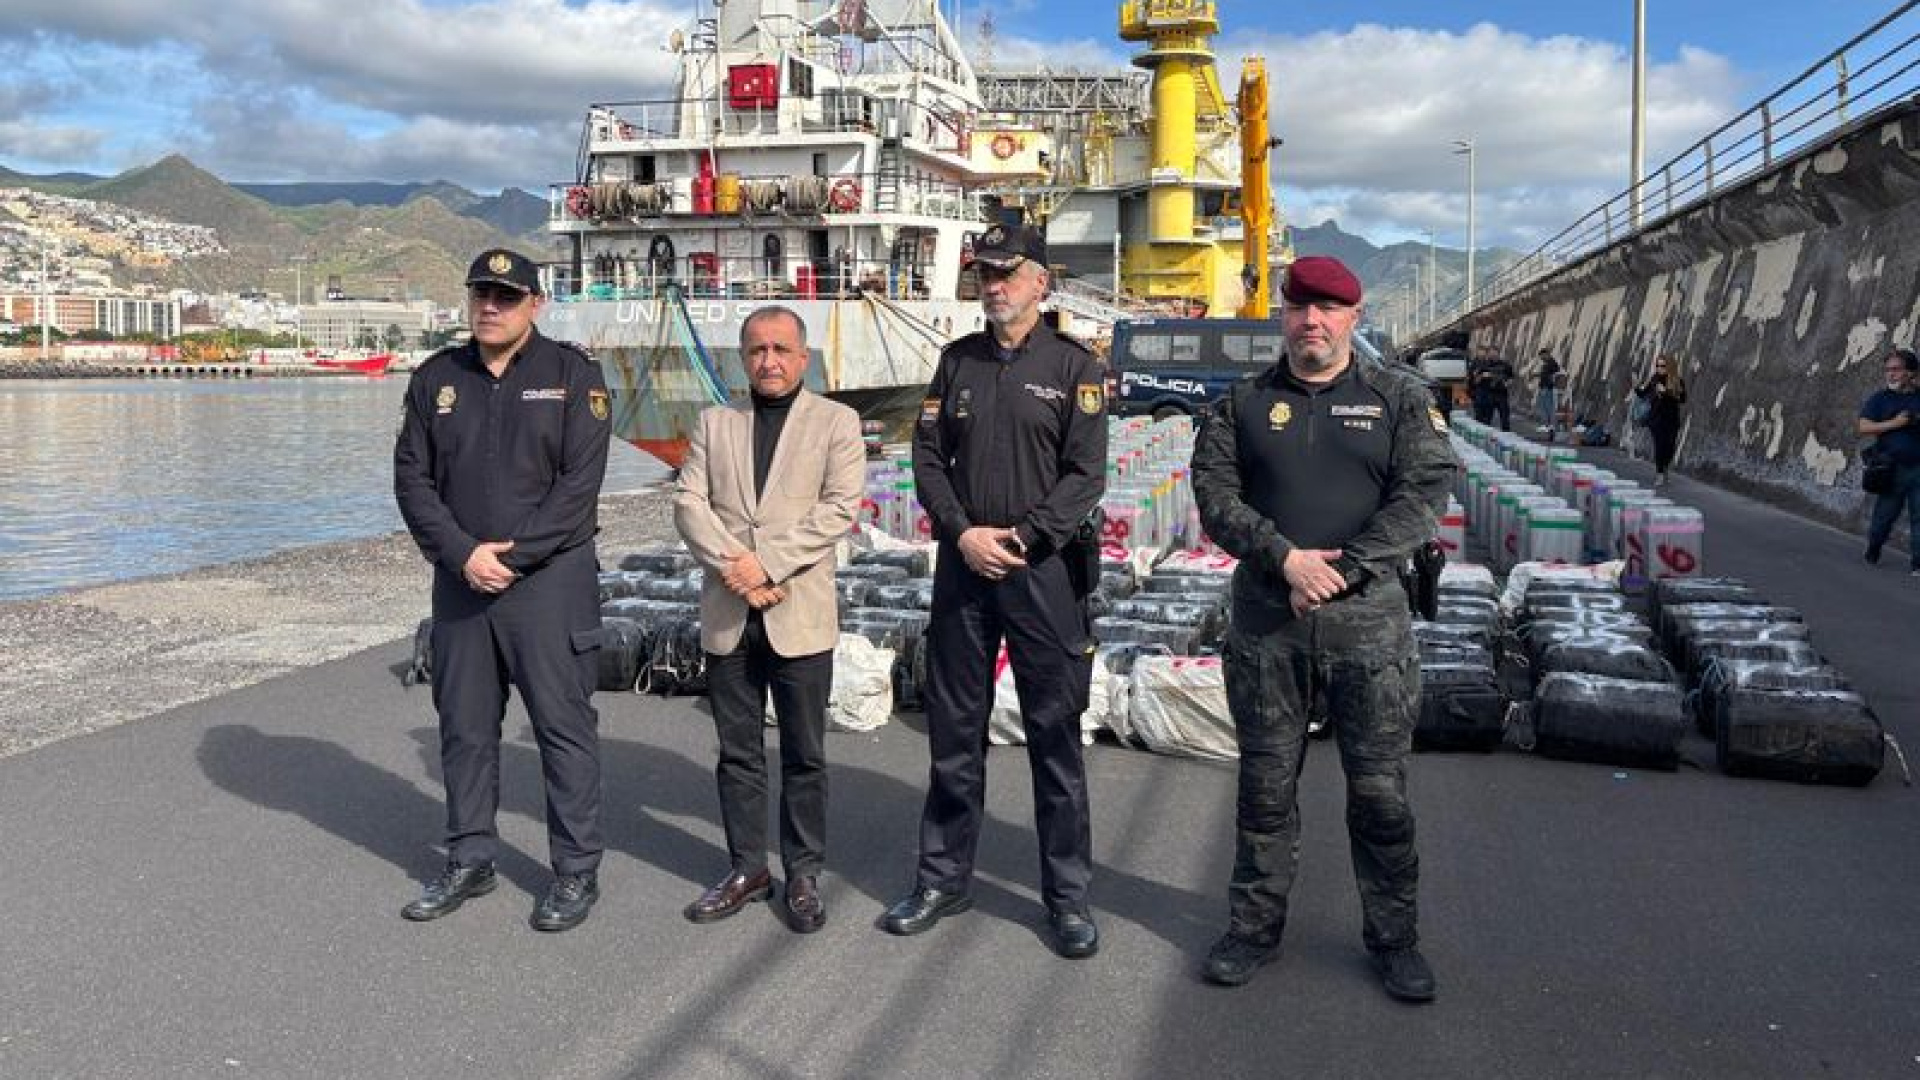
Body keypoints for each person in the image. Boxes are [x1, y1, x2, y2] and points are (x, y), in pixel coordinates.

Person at [1188, 255, 1457, 1002]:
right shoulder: (1241, 402)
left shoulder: (1398, 397)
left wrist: (1343, 571)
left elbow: (1423, 495)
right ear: (1284, 314)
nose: (1314, 321)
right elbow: (1214, 495)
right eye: (1301, 306)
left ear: (1354, 317)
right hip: (1269, 627)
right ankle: (1251, 929)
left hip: (1367, 628)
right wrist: (1285, 559)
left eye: (1330, 309)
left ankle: (1395, 940)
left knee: (1379, 795)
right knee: (1265, 790)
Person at [883, 222, 1108, 958]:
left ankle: (1067, 898)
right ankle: (943, 878)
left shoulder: (1076, 368)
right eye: (985, 273)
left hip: (1042, 573)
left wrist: (1024, 538)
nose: (994, 284)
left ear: (1041, 281)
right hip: (964, 567)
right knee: (953, 732)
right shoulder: (957, 363)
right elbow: (926, 456)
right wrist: (962, 532)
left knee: (1053, 737)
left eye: (1008, 272)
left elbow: (1086, 476)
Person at [393, 248, 613, 931]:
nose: (489, 305)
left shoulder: (573, 375)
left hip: (549, 584)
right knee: (463, 730)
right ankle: (470, 858)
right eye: (480, 293)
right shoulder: (436, 379)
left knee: (562, 729)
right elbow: (412, 480)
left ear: (535, 305)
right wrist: (463, 555)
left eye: (506, 296)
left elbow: (579, 488)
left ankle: (575, 872)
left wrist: (511, 559)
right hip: (462, 586)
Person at [673, 306, 866, 932]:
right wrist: (738, 567)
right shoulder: (714, 422)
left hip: (798, 609)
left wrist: (767, 566)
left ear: (803, 358)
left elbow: (839, 509)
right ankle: (747, 868)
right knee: (737, 752)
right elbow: (689, 502)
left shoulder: (837, 422)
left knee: (805, 752)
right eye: (756, 350)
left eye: (782, 349)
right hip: (731, 608)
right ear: (742, 358)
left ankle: (803, 872)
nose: (769, 361)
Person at [1858, 346, 1920, 573]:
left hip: (1918, 468)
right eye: (1888, 370)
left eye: (1896, 369)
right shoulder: (1880, 399)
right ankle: (1874, 548)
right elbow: (1863, 427)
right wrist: (1895, 424)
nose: (1891, 374)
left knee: (1919, 517)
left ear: (1910, 373)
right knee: (1883, 517)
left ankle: (1918, 564)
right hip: (1891, 467)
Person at [1634, 354, 1688, 486]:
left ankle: (1664, 468)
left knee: (1670, 447)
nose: (1659, 368)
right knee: (1659, 446)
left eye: (1662, 366)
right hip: (1657, 419)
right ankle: (1659, 474)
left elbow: (1682, 399)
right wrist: (1636, 386)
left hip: (1672, 419)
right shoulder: (1654, 379)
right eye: (1657, 365)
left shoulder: (1677, 381)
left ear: (1669, 366)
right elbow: (1643, 394)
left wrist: (1666, 392)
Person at [1469, 350, 1514, 430]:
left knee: (1504, 417)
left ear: (1498, 354)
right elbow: (1475, 380)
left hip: (1501, 394)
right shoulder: (1484, 365)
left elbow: (1511, 378)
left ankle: (1506, 434)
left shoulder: (1505, 365)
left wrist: (1507, 383)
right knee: (1487, 418)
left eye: (1495, 354)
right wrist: (1482, 376)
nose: (1493, 356)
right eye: (1491, 354)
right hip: (1489, 394)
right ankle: (1484, 434)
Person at [1535, 347, 1563, 437]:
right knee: (1546, 408)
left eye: (1542, 356)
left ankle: (1550, 427)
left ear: (1546, 354)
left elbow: (1548, 376)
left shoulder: (1551, 363)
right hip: (1546, 387)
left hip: (1547, 388)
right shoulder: (1549, 363)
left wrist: (1539, 376)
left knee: (1547, 408)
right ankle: (1549, 427)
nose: (1541, 358)